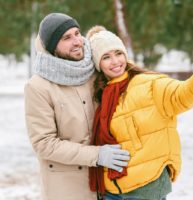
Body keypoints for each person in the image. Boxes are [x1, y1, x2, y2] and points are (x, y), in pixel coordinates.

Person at [86, 26, 193, 200]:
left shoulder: (149, 84)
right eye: (106, 57)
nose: (115, 61)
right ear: (97, 63)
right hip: (111, 189)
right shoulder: (99, 95)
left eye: (118, 53)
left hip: (146, 186)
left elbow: (182, 94)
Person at [24, 13, 130, 200]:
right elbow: (44, 144)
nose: (77, 41)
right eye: (67, 38)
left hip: (107, 184)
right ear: (51, 47)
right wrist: (97, 155)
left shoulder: (95, 71)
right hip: (66, 188)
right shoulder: (38, 87)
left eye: (77, 33)